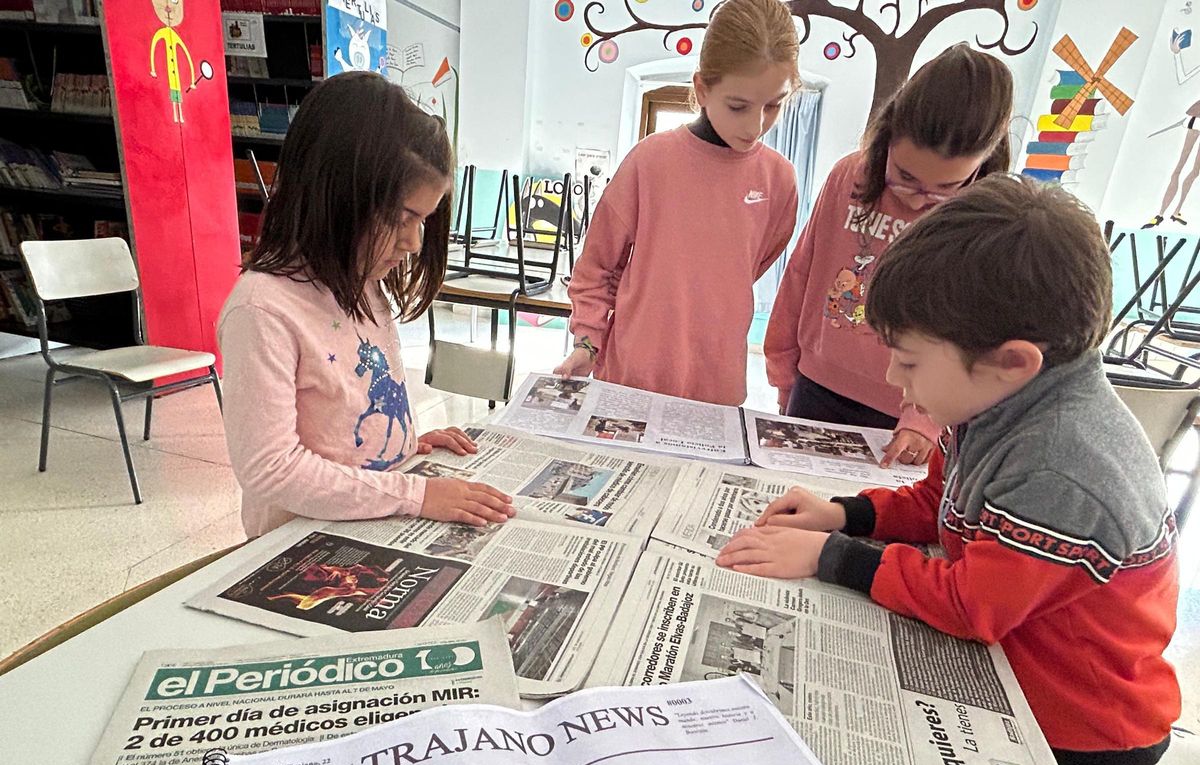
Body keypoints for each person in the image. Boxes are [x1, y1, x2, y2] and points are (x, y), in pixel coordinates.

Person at [718, 175, 1181, 765]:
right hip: (1014, 690)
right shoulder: (1002, 403)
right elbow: (942, 503)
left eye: (908, 362)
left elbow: (974, 606)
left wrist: (832, 557)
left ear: (1013, 359)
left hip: (1081, 745)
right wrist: (848, 515)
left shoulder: (1064, 460)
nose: (897, 386)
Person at [219, 73, 515, 538]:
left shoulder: (363, 282)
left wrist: (403, 449)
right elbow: (270, 469)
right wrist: (415, 495)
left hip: (373, 520)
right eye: (404, 219)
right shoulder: (262, 310)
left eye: (426, 220)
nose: (416, 243)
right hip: (298, 544)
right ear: (338, 198)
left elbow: (345, 417)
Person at [763, 44, 1013, 468]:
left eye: (945, 188)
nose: (920, 201)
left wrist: (925, 418)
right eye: (906, 178)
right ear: (888, 135)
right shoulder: (849, 176)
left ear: (984, 164)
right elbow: (803, 271)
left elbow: (974, 334)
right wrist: (782, 365)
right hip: (817, 384)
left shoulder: (986, 217)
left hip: (909, 409)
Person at [555, 0, 800, 405]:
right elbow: (596, 267)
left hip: (716, 390)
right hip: (630, 378)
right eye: (738, 106)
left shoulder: (780, 181)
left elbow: (745, 269)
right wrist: (588, 342)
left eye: (774, 104)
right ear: (702, 88)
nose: (756, 126)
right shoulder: (649, 161)